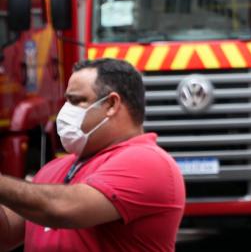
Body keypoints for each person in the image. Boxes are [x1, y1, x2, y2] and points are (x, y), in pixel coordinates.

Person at [0, 58, 185, 251]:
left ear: (111, 104)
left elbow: (62, 209)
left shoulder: (148, 162)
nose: (65, 111)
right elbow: (6, 234)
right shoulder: (56, 168)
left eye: (76, 101)